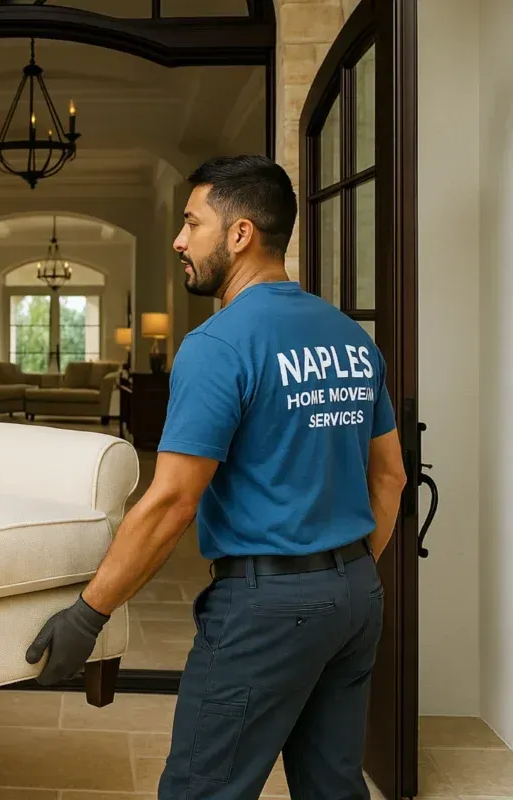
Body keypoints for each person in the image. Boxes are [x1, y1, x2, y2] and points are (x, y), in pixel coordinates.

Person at [25, 154, 408, 798]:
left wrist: (89, 613)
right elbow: (391, 477)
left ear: (240, 234)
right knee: (334, 785)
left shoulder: (219, 344)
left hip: (264, 609)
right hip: (355, 599)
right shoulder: (351, 339)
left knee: (203, 789)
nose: (179, 239)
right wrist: (343, 577)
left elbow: (172, 500)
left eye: (191, 222)